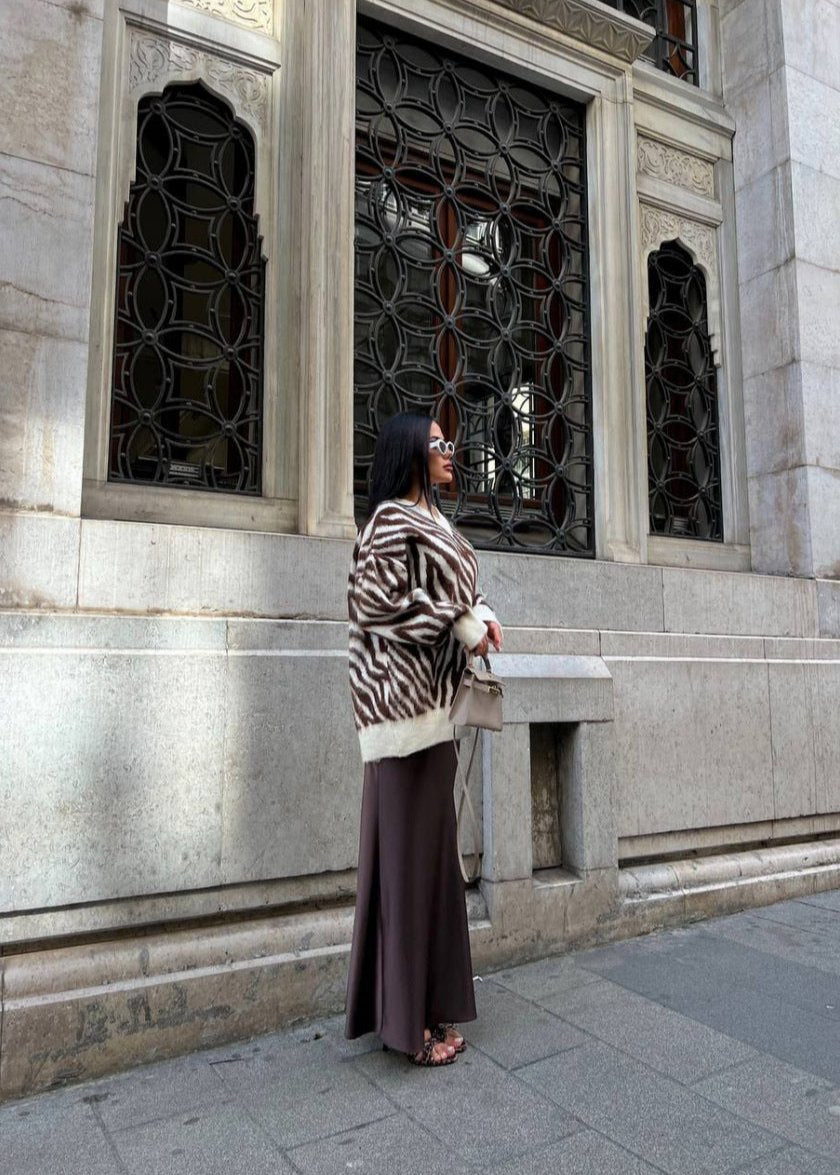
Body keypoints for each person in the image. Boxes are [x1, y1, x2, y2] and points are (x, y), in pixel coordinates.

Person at [343, 411, 503, 1067]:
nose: (448, 451)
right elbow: (374, 604)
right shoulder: (387, 521)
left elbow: (463, 591)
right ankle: (407, 1029)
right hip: (400, 714)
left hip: (436, 713)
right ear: (409, 449)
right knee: (408, 870)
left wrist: (482, 614)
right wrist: (462, 622)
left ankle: (426, 1010)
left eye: (448, 442)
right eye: (437, 443)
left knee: (431, 870)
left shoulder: (435, 519)